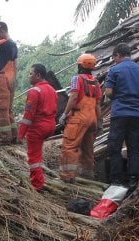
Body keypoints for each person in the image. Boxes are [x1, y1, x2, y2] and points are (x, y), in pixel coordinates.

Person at [104, 42, 139, 188]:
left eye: (114, 58)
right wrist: (137, 101)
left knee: (115, 147)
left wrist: (119, 98)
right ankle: (133, 180)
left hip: (119, 114)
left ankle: (117, 181)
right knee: (134, 148)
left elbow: (108, 92)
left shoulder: (114, 70)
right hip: (136, 114)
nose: (114, 61)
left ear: (118, 55)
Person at [58, 53, 102, 182]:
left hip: (78, 118)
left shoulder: (77, 79)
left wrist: (65, 114)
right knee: (88, 149)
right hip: (92, 118)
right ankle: (87, 175)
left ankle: (67, 176)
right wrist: (99, 122)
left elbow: (74, 97)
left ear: (81, 65)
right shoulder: (96, 82)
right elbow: (98, 104)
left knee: (69, 146)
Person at [17, 64, 58, 191]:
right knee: (38, 155)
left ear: (38, 75)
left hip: (38, 127)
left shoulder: (34, 92)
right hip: (51, 125)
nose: (29, 76)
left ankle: (37, 185)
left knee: (33, 158)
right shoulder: (52, 89)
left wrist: (20, 135)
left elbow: (28, 116)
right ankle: (39, 179)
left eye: (30, 74)